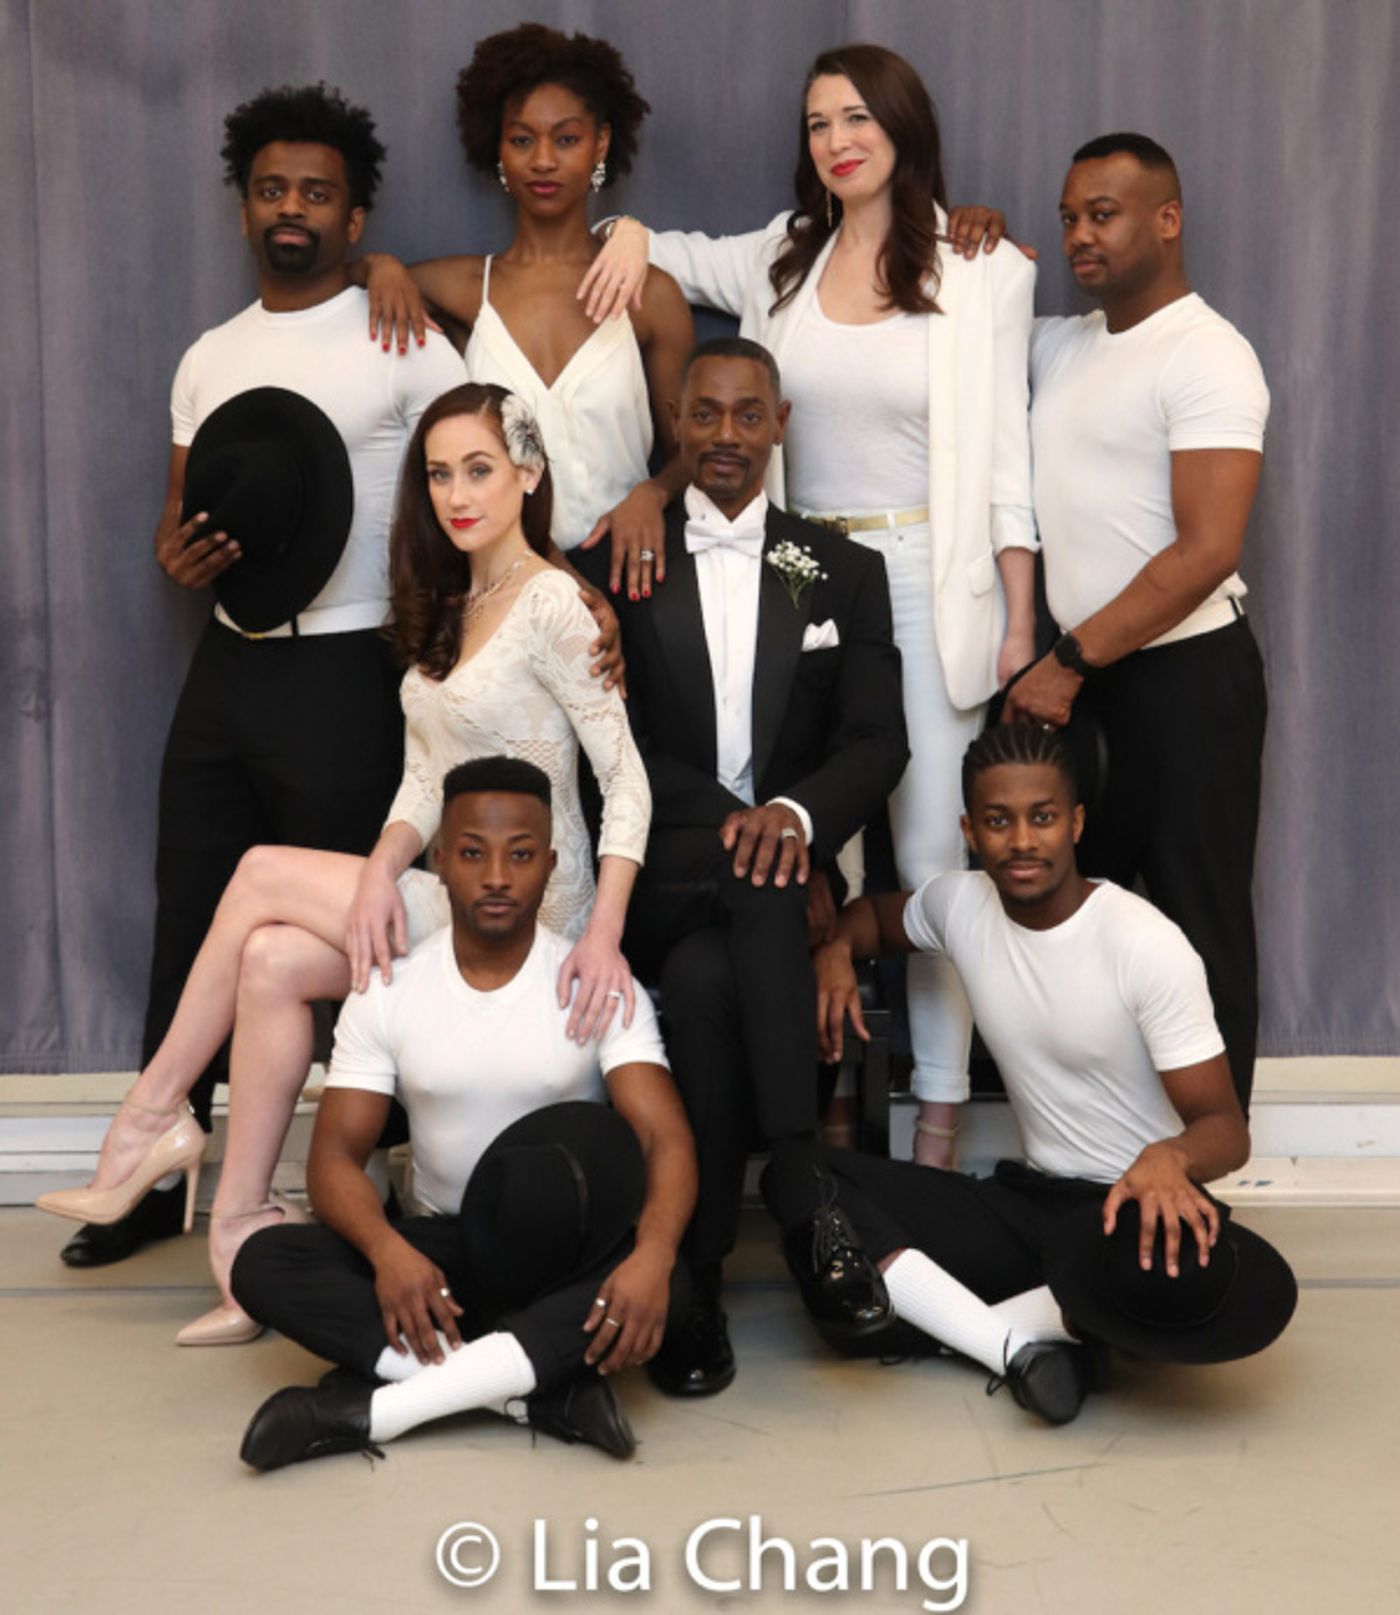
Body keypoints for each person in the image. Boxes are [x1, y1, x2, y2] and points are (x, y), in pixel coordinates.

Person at [37, 384, 651, 1345]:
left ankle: (150, 1114)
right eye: (440, 472)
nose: (457, 493)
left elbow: (627, 781)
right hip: (447, 892)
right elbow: (419, 782)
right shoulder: (461, 600)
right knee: (270, 959)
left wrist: (605, 930)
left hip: (533, 909)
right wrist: (377, 870)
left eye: (480, 469)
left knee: (256, 875)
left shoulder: (555, 607)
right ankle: (243, 1252)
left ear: (528, 476)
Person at [580, 42, 1037, 1164]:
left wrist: (1020, 617)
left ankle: (934, 1111)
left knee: (929, 853)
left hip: (929, 578)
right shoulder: (784, 258)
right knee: (799, 843)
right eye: (817, 123)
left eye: (855, 119)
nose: (836, 141)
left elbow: (1006, 462)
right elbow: (664, 254)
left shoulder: (985, 269)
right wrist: (628, 234)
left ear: (899, 128)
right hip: (796, 575)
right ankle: (819, 1104)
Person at [51, 85, 469, 1274]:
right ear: (246, 208)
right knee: (191, 909)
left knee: (340, 939)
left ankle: (346, 1181)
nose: (293, 209)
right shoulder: (209, 356)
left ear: (354, 214)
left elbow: (483, 472)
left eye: (318, 193)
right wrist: (172, 553)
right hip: (229, 664)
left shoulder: (398, 332)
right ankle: (149, 1172)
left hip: (352, 667)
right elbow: (179, 518)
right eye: (274, 189)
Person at [763, 723, 1296, 1425]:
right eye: (998, 820)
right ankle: (1021, 1341)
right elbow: (878, 920)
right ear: (970, 829)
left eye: (1042, 817)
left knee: (1194, 1275)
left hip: (1128, 1217)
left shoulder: (1145, 944)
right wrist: (836, 947)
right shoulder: (962, 905)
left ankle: (980, 1326)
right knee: (798, 1180)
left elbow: (1226, 1129)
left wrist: (1170, 1157)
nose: (1021, 840)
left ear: (1075, 822)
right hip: (1031, 1207)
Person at [576, 337, 908, 1395]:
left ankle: (696, 1276)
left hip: (767, 884)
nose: (725, 434)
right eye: (705, 414)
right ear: (676, 425)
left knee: (720, 983)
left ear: (780, 422)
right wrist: (752, 824)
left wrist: (794, 816)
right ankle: (806, 1190)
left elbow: (876, 742)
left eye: (746, 414)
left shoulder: (842, 571)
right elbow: (609, 745)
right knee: (757, 873)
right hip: (656, 872)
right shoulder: (615, 563)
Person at [230, 757, 696, 1469]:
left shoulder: (596, 982)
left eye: (520, 855)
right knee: (261, 1260)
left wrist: (656, 1254)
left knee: (674, 1279)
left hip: (560, 1256)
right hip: (437, 1256)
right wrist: (390, 1253)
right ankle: (531, 1390)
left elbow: (665, 1137)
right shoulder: (390, 988)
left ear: (550, 863)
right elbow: (331, 1159)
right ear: (440, 860)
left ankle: (386, 1401)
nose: (498, 877)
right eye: (474, 853)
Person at [1001, 133, 1270, 1110]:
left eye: (1101, 214)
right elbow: (959, 332)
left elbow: (1206, 551)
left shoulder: (1207, 352)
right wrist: (975, 245)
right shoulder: (1063, 344)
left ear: (1166, 219)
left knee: (1197, 918)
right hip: (1086, 678)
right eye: (1068, 215)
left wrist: (1065, 661)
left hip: (1182, 677)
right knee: (1070, 911)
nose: (1077, 233)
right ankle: (1091, 1144)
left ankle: (1208, 1167)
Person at [357, 21, 694, 597]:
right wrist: (378, 266)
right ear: (498, 148)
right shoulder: (465, 286)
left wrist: (654, 493)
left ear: (601, 144)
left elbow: (696, 450)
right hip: (506, 583)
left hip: (636, 573)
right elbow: (334, 280)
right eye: (522, 140)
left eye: (566, 139)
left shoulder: (651, 297)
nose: (543, 160)